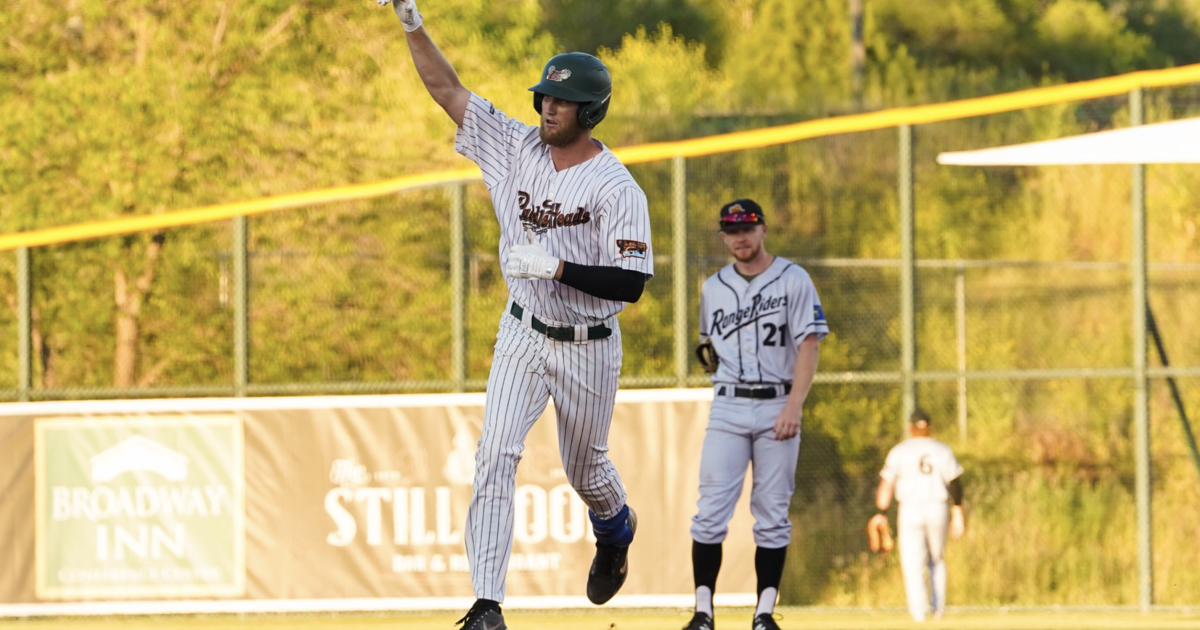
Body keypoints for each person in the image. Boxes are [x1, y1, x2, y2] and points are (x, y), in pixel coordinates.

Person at [383, 1, 653, 628]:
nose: (546, 108)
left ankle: (615, 528)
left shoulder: (616, 187)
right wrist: (410, 21)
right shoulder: (514, 146)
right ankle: (487, 604)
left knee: (586, 468)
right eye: (543, 99)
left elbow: (633, 282)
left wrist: (558, 268)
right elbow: (447, 89)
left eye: (559, 103)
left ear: (588, 112)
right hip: (523, 330)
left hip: (589, 341)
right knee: (496, 453)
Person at [684, 199, 828, 630]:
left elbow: (809, 344)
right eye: (730, 230)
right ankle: (703, 612)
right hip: (728, 404)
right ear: (723, 236)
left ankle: (763, 613)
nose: (739, 237)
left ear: (763, 230)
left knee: (771, 513)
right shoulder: (713, 287)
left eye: (746, 228)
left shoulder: (793, 279)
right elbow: (709, 348)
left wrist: (794, 406)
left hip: (777, 404)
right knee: (710, 511)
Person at [875, 408, 966, 622]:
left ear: (910, 428)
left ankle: (918, 613)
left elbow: (887, 484)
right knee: (937, 559)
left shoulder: (899, 450)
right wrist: (958, 511)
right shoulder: (942, 449)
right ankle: (938, 610)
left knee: (912, 562)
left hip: (910, 509)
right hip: (938, 507)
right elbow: (955, 483)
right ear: (930, 427)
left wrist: (881, 512)